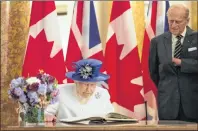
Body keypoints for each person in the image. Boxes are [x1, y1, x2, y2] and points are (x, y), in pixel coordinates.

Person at [149, 4, 198, 122]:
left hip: (193, 103)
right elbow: (153, 72)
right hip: (167, 104)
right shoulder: (157, 42)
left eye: (178, 21)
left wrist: (182, 63)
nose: (173, 25)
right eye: (171, 21)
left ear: (187, 21)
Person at [45, 59, 114, 122]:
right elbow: (47, 113)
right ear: (75, 82)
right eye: (85, 84)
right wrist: (48, 116)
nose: (89, 89)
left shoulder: (103, 94)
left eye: (92, 85)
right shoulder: (60, 91)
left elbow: (111, 117)